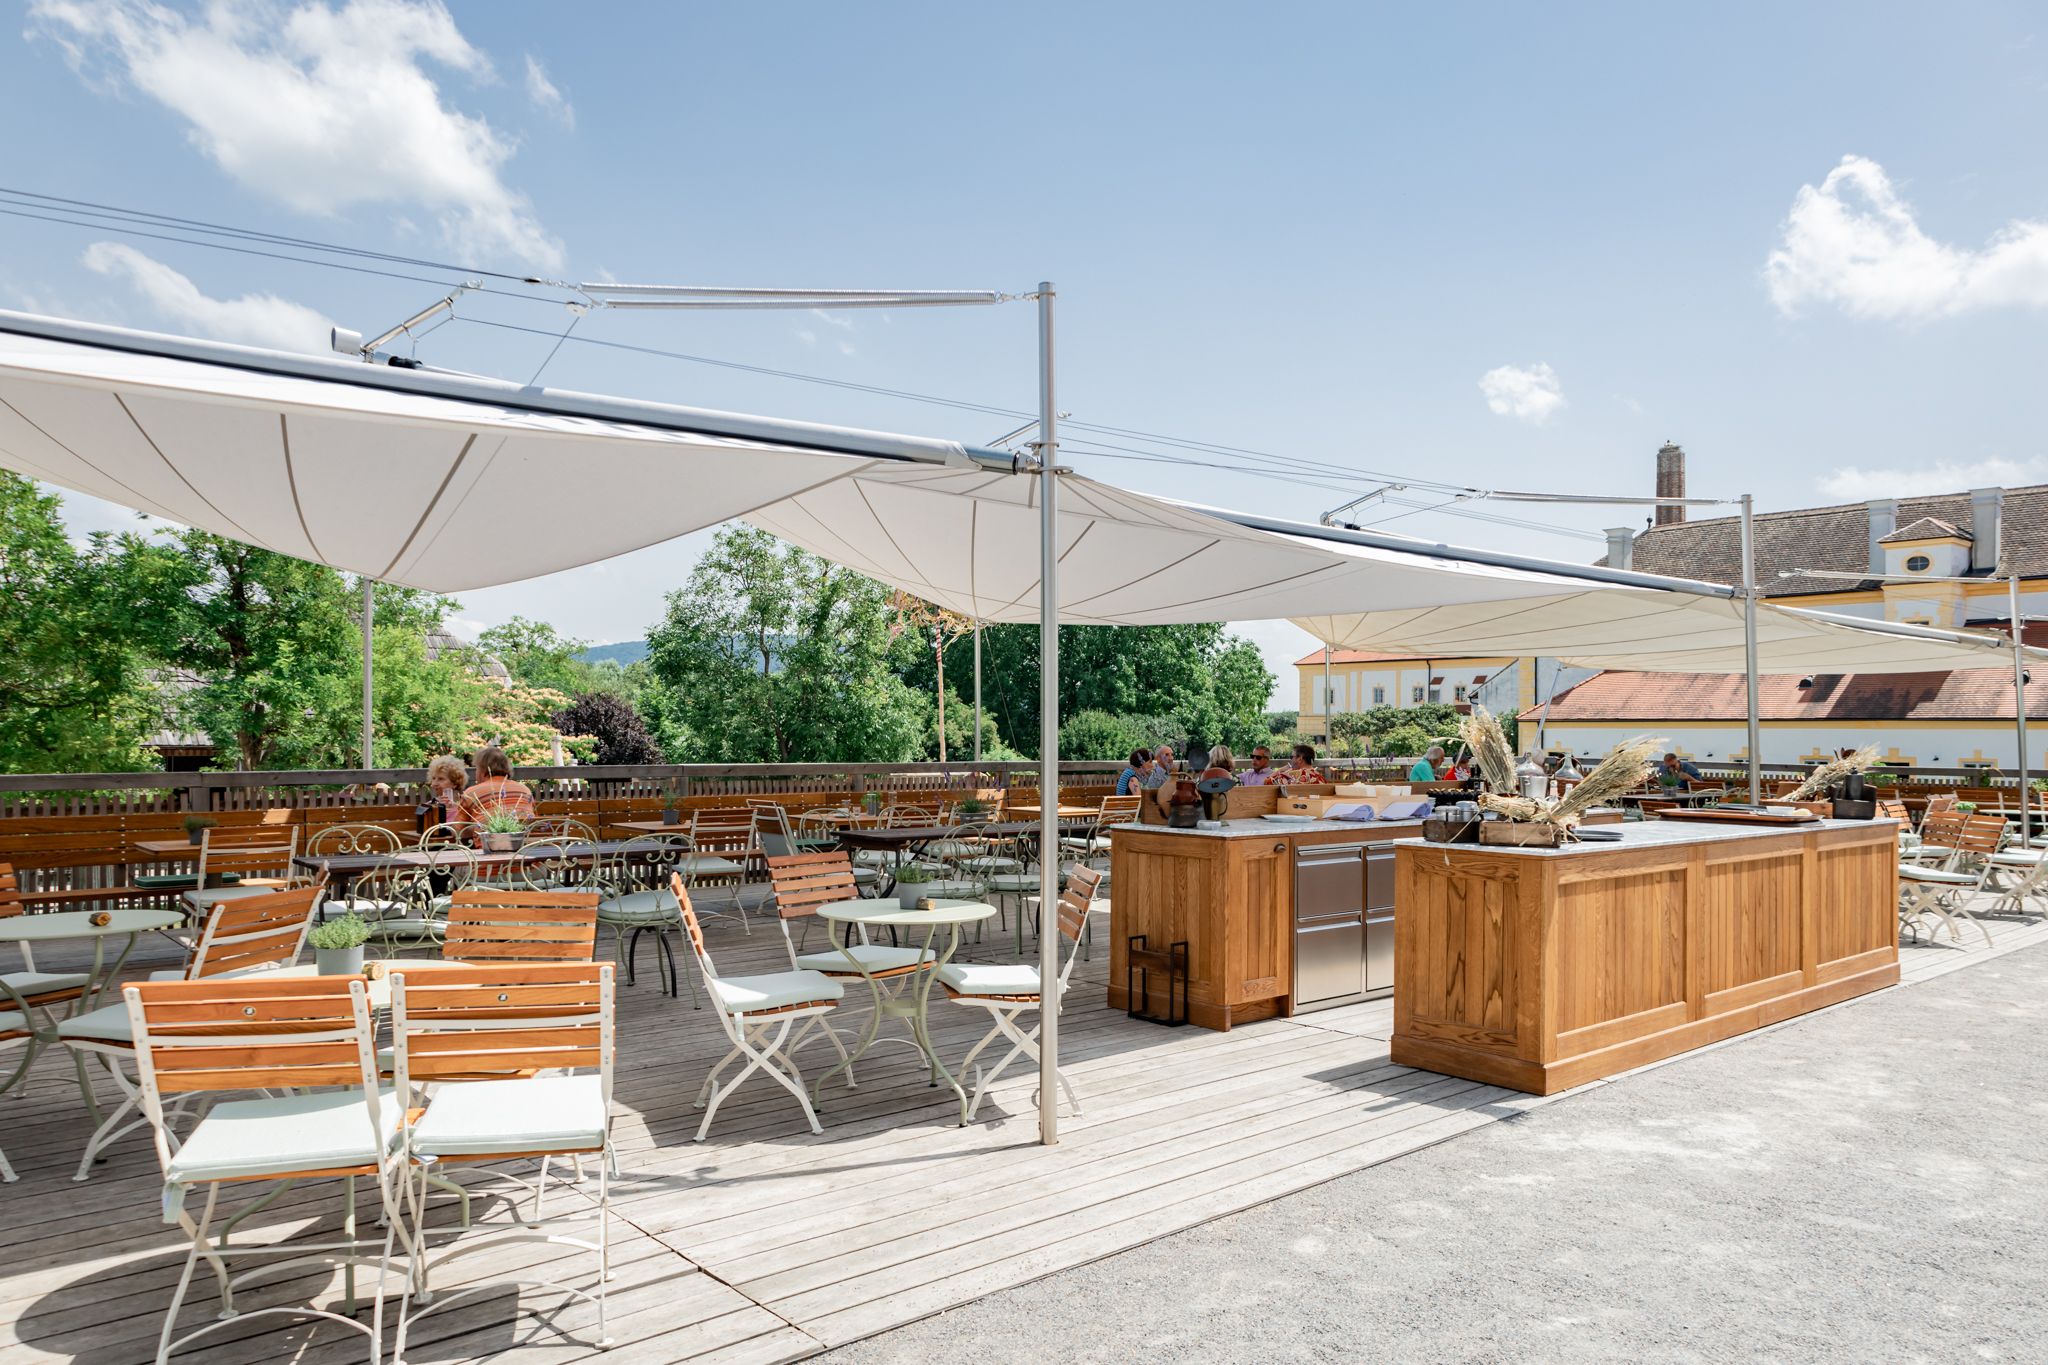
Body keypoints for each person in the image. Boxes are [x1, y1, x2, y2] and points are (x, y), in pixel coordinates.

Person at [457, 745, 536, 828]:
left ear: (482, 770)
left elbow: (458, 831)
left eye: (476, 768)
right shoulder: (525, 790)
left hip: (488, 841)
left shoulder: (471, 794)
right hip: (524, 840)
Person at [425, 755, 467, 825]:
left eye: (441, 779)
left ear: (454, 783)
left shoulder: (463, 806)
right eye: (433, 778)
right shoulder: (428, 807)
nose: (435, 783)